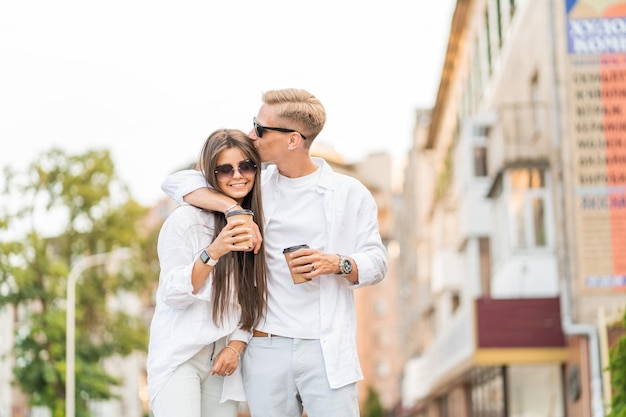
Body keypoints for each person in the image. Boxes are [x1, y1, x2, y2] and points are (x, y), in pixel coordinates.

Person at [161, 88, 388, 417]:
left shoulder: (350, 193)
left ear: (293, 139)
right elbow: (177, 183)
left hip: (325, 349)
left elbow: (378, 262)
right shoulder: (255, 187)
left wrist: (335, 263)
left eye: (261, 128)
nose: (252, 135)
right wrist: (232, 208)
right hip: (266, 346)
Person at [147, 129, 268, 417]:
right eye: (224, 169)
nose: (237, 175)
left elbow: (253, 297)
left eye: (245, 166)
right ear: (211, 175)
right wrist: (214, 250)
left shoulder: (257, 223)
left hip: (223, 362)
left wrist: (236, 347)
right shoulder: (186, 220)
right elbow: (174, 295)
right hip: (180, 358)